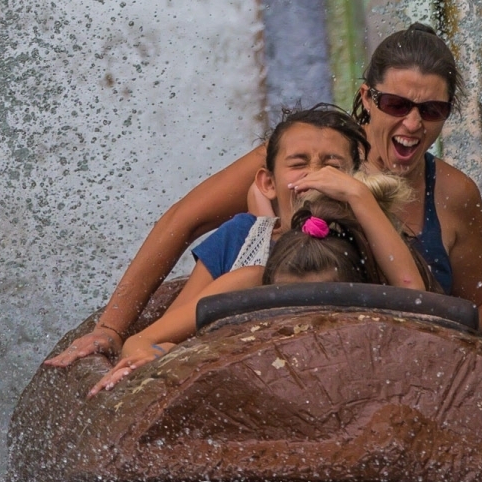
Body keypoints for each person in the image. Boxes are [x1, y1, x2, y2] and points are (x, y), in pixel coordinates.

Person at [46, 23, 482, 368]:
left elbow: (473, 301)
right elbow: (184, 221)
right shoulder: (296, 160)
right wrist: (113, 330)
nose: (413, 123)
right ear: (367, 98)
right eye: (397, 104)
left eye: (432, 110)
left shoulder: (454, 193)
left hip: (393, 362)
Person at [87, 107, 423, 393]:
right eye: (299, 163)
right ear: (268, 182)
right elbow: (160, 335)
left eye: (331, 166)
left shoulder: (367, 248)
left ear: (352, 179)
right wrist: (156, 353)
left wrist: (359, 197)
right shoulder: (249, 276)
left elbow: (414, 298)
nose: (315, 175)